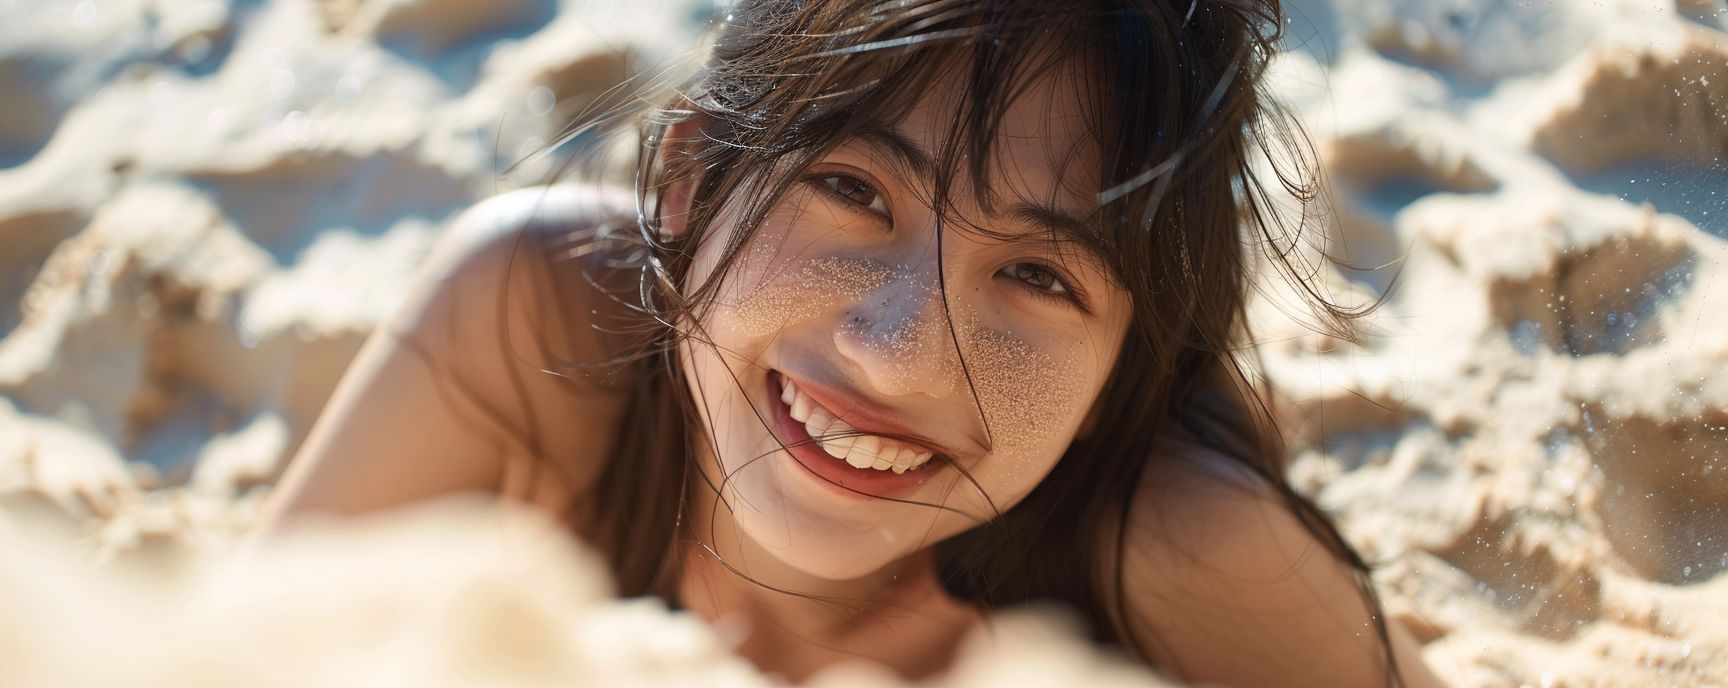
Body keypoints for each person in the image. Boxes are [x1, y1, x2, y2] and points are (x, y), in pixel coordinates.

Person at [261, 1, 1445, 686]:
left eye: (1036, 273)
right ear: (688, 181)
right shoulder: (529, 315)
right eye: (853, 189)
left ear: (1117, 377)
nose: (899, 351)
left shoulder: (1179, 539)